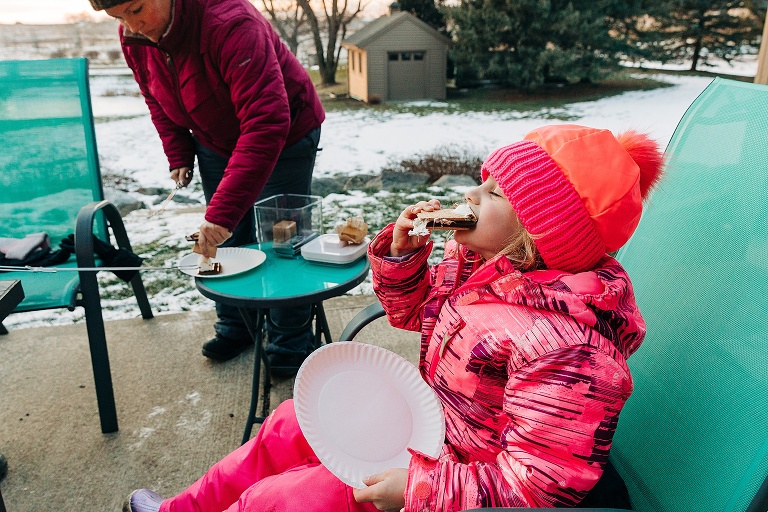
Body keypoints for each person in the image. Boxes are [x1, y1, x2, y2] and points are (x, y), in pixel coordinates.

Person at [122, 124, 664, 512]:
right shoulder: (480, 265)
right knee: (288, 423)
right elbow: (410, 315)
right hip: (430, 424)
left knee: (293, 498)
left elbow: (541, 483)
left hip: (456, 480)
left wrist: (421, 490)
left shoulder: (569, 351)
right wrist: (403, 261)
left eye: (494, 192)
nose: (470, 195)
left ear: (541, 234)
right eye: (482, 180)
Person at [89, 0, 325, 375]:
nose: (132, 26)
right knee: (226, 239)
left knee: (282, 238)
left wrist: (222, 214)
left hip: (284, 134)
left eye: (136, 9)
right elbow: (155, 97)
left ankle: (289, 341)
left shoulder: (230, 23)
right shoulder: (134, 36)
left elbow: (265, 122)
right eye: (119, 17)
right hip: (214, 138)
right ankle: (238, 326)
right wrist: (179, 152)